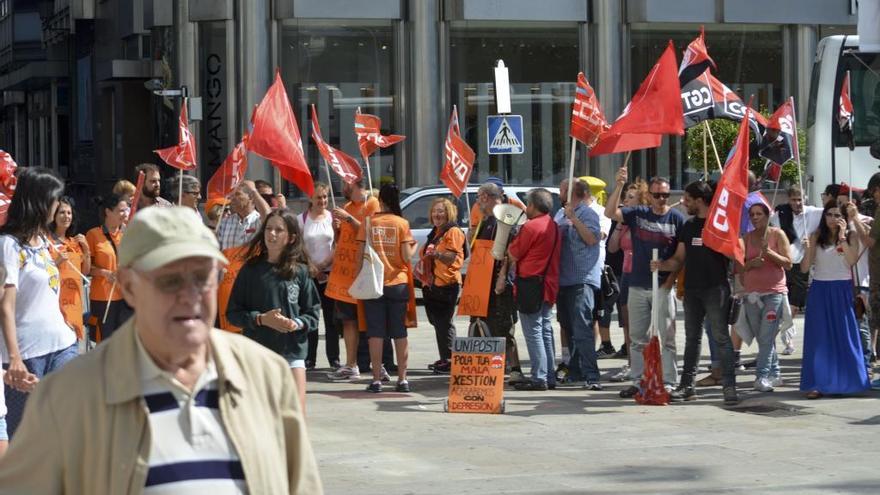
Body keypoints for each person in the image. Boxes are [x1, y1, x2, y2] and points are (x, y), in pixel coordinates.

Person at [0, 206, 323, 493]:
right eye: (169, 280)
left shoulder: (266, 377)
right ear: (128, 286)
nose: (190, 295)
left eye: (203, 277)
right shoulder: (68, 398)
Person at [0, 167, 77, 438]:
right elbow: (5, 306)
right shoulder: (8, 245)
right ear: (40, 201)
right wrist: (14, 359)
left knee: (68, 422)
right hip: (27, 355)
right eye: (55, 199)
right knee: (28, 435)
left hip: (63, 346)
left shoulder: (43, 240)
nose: (58, 207)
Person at [651, 182, 739, 405]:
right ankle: (687, 386)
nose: (685, 203)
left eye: (688, 199)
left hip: (716, 288)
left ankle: (729, 386)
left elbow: (737, 253)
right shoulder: (688, 226)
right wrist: (661, 265)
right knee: (692, 339)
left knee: (721, 337)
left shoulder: (719, 224)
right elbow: (679, 259)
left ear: (699, 200)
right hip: (692, 289)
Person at [227, 209, 321, 411]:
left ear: (292, 237)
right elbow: (233, 313)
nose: (272, 234)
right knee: (262, 417)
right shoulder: (250, 270)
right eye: (269, 229)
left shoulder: (300, 271)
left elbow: (313, 314)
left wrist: (295, 323)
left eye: (279, 230)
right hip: (258, 354)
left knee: (296, 415)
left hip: (292, 354)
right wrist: (260, 319)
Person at [605, 169, 684, 397]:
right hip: (638, 285)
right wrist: (618, 185)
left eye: (665, 195)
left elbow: (680, 258)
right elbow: (611, 213)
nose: (662, 199)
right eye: (657, 195)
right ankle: (639, 380)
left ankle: (668, 381)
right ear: (649, 195)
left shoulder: (676, 219)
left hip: (662, 287)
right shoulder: (638, 214)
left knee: (666, 338)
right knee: (637, 338)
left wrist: (669, 281)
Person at [799, 201, 870, 398]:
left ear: (844, 218)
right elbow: (805, 268)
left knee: (844, 336)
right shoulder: (816, 236)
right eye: (829, 214)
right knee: (819, 338)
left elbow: (851, 261)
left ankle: (848, 380)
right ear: (824, 217)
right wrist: (806, 249)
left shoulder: (851, 236)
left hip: (842, 289)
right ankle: (816, 383)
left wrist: (842, 238)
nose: (833, 218)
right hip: (820, 289)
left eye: (837, 215)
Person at [357, 184, 418, 393]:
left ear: (380, 200)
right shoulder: (402, 223)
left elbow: (359, 255)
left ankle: (376, 380)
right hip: (397, 282)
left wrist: (359, 277)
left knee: (375, 334)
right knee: (399, 332)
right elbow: (407, 256)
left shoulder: (368, 223)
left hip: (374, 282)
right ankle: (402, 379)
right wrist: (415, 246)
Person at [325, 178, 380, 381]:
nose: (342, 186)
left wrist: (348, 219)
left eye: (345, 182)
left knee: (369, 321)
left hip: (361, 272)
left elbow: (370, 232)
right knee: (347, 321)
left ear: (355, 184)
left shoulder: (371, 203)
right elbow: (340, 239)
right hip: (343, 275)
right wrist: (336, 228)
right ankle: (351, 364)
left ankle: (377, 365)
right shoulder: (347, 206)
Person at [469, 182, 524, 383]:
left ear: (485, 197)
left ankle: (515, 369)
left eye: (478, 197)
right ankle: (490, 367)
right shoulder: (486, 219)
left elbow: (509, 252)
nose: (477, 202)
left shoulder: (505, 216)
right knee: (484, 325)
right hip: (483, 282)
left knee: (504, 327)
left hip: (498, 284)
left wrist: (502, 278)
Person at [506, 188, 561, 391]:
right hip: (548, 282)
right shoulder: (553, 225)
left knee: (534, 332)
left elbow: (514, 253)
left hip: (531, 284)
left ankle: (539, 377)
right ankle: (549, 375)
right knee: (545, 330)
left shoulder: (531, 226)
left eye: (527, 204)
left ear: (532, 206)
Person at [737, 202, 792, 392]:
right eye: (752, 214)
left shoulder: (778, 234)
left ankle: (762, 377)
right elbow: (738, 267)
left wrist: (769, 253)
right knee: (763, 337)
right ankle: (775, 373)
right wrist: (751, 263)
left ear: (767, 216)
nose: (755, 217)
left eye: (759, 214)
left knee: (766, 336)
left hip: (774, 293)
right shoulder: (746, 237)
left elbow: (788, 263)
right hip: (752, 294)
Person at [554, 179, 602, 390]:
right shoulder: (560, 213)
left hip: (582, 278)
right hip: (563, 279)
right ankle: (575, 371)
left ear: (572, 192)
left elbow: (592, 239)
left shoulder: (587, 213)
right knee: (568, 327)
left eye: (562, 190)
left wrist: (575, 219)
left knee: (582, 328)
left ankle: (591, 374)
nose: (559, 193)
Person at [770, 185, 823, 354]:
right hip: (784, 264)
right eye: (794, 199)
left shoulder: (813, 212)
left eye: (800, 199)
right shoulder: (781, 215)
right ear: (788, 200)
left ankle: (778, 339)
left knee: (793, 307)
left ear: (805, 198)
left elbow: (832, 209)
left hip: (802, 265)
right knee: (783, 305)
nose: (797, 203)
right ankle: (785, 340)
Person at [418, 197, 465, 374]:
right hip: (433, 284)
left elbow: (451, 257)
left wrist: (436, 254)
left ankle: (451, 360)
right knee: (438, 323)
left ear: (449, 213)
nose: (437, 214)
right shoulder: (436, 231)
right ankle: (445, 357)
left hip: (447, 283)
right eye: (435, 211)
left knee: (444, 323)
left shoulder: (453, 232)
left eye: (441, 211)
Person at [297, 183, 340, 370]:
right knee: (310, 316)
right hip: (309, 274)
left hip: (329, 273)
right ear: (310, 199)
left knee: (332, 319)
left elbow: (338, 244)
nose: (322, 201)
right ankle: (309, 357)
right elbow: (299, 245)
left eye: (325, 197)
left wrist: (324, 265)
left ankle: (334, 358)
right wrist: (311, 266)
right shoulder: (301, 219)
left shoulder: (333, 218)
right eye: (318, 197)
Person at [86, 193, 133, 341]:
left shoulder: (127, 234)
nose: (124, 214)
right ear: (108, 211)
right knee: (104, 344)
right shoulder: (93, 235)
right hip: (103, 297)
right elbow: (86, 269)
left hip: (125, 297)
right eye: (121, 210)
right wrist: (104, 273)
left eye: (126, 210)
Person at [49, 196, 91, 341]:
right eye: (62, 212)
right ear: (53, 216)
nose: (66, 216)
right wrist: (57, 262)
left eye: (69, 213)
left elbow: (85, 272)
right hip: (55, 306)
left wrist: (86, 249)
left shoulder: (74, 243)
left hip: (74, 305)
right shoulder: (46, 242)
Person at [216, 180, 271, 250]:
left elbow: (268, 216)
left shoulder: (258, 220)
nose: (232, 198)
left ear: (251, 197)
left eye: (237, 194)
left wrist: (253, 190)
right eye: (231, 195)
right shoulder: (224, 222)